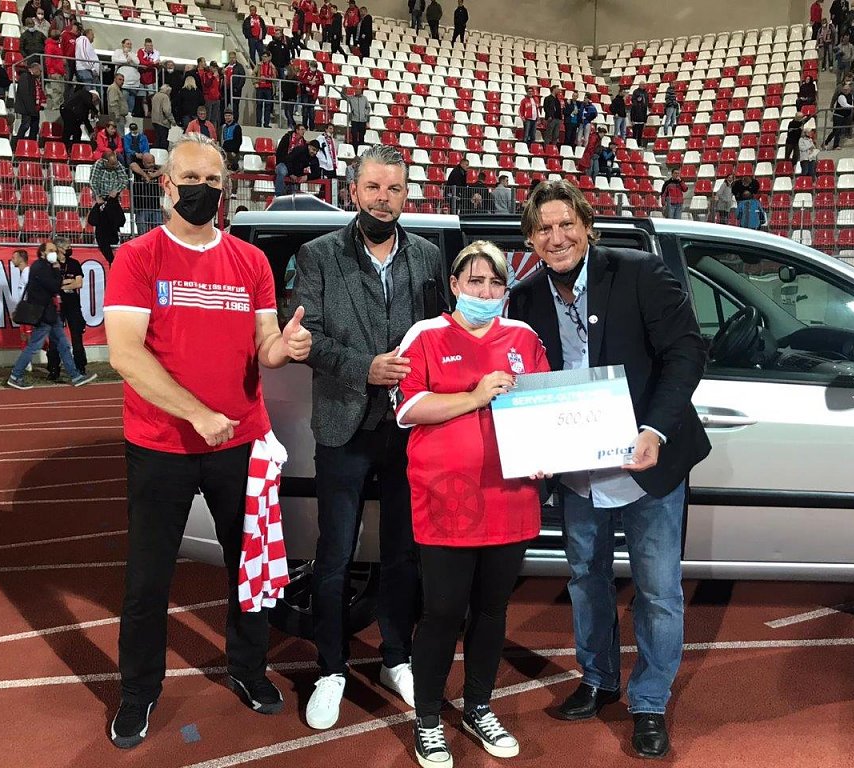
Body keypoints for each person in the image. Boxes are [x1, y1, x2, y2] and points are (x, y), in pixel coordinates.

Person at [103, 132, 312, 749]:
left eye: (213, 181)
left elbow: (264, 344)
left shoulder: (250, 261)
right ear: (167, 185)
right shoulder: (138, 258)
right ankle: (138, 692)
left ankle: (247, 668)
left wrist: (284, 347)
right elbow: (124, 354)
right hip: (160, 445)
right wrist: (196, 414)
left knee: (250, 567)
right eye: (191, 180)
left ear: (226, 188)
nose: (202, 190)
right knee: (148, 580)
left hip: (239, 444)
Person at [506, 179, 709, 761]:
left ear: (588, 227)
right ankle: (598, 680)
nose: (557, 237)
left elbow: (686, 351)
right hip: (576, 470)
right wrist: (530, 443)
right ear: (531, 240)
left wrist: (655, 429)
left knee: (658, 590)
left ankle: (649, 702)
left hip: (647, 461)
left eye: (566, 224)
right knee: (585, 580)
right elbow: (523, 381)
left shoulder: (640, 272)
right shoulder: (525, 297)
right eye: (543, 229)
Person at [293, 144, 448, 731]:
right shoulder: (318, 255)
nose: (384, 200)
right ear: (354, 191)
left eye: (395, 189)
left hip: (410, 429)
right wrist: (366, 368)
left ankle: (395, 657)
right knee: (334, 555)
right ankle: (331, 669)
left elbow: (440, 332)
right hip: (344, 427)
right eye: (374, 188)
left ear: (406, 195)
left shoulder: (428, 256)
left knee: (403, 554)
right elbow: (307, 337)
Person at [393, 242, 549, 767]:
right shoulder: (425, 335)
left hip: (510, 498)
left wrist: (548, 450)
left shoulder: (523, 337)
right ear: (455, 285)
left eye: (495, 282)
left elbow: (545, 404)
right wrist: (476, 397)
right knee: (441, 612)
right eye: (475, 281)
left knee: (491, 611)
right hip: (448, 501)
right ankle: (428, 720)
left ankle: (479, 707)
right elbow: (410, 408)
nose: (485, 291)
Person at [7, 240, 98, 390]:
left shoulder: (43, 266)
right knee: (34, 346)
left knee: (63, 345)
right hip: (43, 314)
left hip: (50, 313)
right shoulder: (40, 267)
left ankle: (75, 376)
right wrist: (56, 270)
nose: (53, 253)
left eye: (55, 250)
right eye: (50, 250)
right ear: (42, 252)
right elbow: (55, 286)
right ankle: (15, 375)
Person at [46, 237, 88, 381]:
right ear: (59, 249)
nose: (70, 249)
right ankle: (53, 369)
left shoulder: (74, 263)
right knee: (54, 338)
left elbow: (79, 283)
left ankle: (80, 366)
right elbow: (51, 285)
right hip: (56, 306)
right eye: (68, 247)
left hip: (73, 304)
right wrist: (67, 282)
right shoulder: (51, 264)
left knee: (77, 336)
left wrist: (62, 285)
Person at [90, 150, 130, 264]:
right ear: (105, 161)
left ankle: (114, 237)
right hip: (100, 197)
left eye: (115, 163)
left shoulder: (117, 164)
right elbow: (93, 181)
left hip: (113, 198)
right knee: (99, 222)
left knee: (116, 219)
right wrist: (97, 196)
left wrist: (117, 190)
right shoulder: (98, 164)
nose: (114, 166)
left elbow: (124, 180)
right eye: (112, 164)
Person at [129, 152, 163, 233]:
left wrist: (153, 175)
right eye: (149, 163)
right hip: (141, 206)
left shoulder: (155, 169)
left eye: (153, 162)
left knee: (158, 231)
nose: (152, 165)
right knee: (143, 232)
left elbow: (166, 167)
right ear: (143, 162)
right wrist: (145, 175)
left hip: (155, 206)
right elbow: (132, 165)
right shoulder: (139, 168)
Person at [275, 124, 308, 195]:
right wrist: (290, 172)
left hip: (295, 166)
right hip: (283, 163)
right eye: (302, 129)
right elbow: (280, 152)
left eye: (304, 130)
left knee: (297, 175)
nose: (304, 131)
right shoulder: (287, 138)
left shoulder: (303, 143)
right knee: (281, 171)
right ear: (297, 130)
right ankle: (278, 194)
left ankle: (293, 195)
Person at [822, 83, 854, 149]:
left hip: (844, 116)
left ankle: (827, 143)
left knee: (837, 131)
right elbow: (844, 105)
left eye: (847, 89)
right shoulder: (841, 96)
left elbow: (851, 102)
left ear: (850, 89)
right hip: (838, 116)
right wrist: (852, 107)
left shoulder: (851, 95)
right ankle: (834, 145)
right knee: (837, 130)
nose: (846, 91)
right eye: (844, 89)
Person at [44, 28, 66, 113]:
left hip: (60, 71)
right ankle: (56, 107)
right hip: (55, 72)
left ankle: (61, 107)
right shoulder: (50, 46)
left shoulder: (57, 45)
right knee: (56, 90)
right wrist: (51, 72)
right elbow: (48, 60)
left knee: (61, 91)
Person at [137, 38, 160, 114]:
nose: (150, 47)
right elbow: (141, 62)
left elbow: (157, 64)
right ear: (145, 45)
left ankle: (155, 113)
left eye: (151, 45)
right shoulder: (141, 51)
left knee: (152, 97)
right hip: (141, 78)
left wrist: (147, 65)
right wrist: (152, 63)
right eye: (148, 45)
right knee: (143, 98)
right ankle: (146, 114)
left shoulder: (156, 52)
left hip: (151, 79)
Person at [254, 53, 277, 128]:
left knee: (268, 106)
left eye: (265, 57)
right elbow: (253, 74)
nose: (264, 58)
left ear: (269, 58)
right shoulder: (258, 65)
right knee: (259, 105)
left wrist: (270, 78)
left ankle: (266, 123)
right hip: (260, 88)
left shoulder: (272, 66)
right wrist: (255, 83)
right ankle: (258, 123)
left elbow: (275, 78)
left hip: (268, 88)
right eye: (263, 56)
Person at [150, 84, 176, 150]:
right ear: (167, 91)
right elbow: (166, 110)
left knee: (157, 138)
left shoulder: (155, 95)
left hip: (154, 120)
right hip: (163, 122)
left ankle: (155, 153)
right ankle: (163, 154)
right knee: (163, 140)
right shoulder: (165, 97)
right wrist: (172, 120)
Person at [630, 81, 650, 147]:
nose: (644, 86)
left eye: (644, 85)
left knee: (640, 134)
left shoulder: (646, 93)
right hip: (635, 121)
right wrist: (632, 120)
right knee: (634, 134)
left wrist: (645, 121)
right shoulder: (635, 92)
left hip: (641, 121)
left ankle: (639, 145)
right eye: (643, 85)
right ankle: (633, 145)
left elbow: (645, 114)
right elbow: (632, 113)